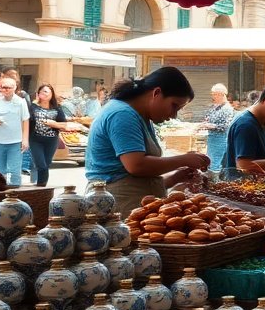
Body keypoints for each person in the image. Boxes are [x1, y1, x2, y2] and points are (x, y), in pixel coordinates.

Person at [86, 68, 211, 215]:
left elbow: (136, 178)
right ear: (156, 93)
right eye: (174, 106)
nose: (174, 115)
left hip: (132, 202)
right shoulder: (122, 114)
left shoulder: (141, 116)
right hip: (119, 207)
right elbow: (136, 165)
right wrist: (184, 160)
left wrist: (175, 178)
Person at [28, 83, 81, 186]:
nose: (44, 93)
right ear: (38, 94)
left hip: (51, 140)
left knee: (46, 164)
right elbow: (26, 121)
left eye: (47, 91)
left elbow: (64, 125)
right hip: (35, 139)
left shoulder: (57, 108)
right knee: (41, 165)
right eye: (42, 91)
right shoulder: (33, 107)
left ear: (52, 94)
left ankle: (42, 187)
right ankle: (40, 186)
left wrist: (53, 124)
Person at [0, 77, 29, 185]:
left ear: (15, 88)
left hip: (15, 142)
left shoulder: (21, 102)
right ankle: (1, 195)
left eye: (9, 87)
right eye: (4, 87)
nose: (6, 90)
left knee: (15, 171)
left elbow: (25, 120)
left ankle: (15, 196)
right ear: (0, 88)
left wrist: (25, 139)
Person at [199, 84, 235, 174]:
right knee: (211, 162)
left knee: (216, 164)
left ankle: (216, 183)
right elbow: (208, 117)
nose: (213, 96)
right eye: (213, 94)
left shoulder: (227, 109)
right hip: (212, 139)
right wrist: (204, 123)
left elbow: (226, 126)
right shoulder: (215, 107)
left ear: (221, 94)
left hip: (220, 140)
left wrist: (210, 126)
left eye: (215, 94)